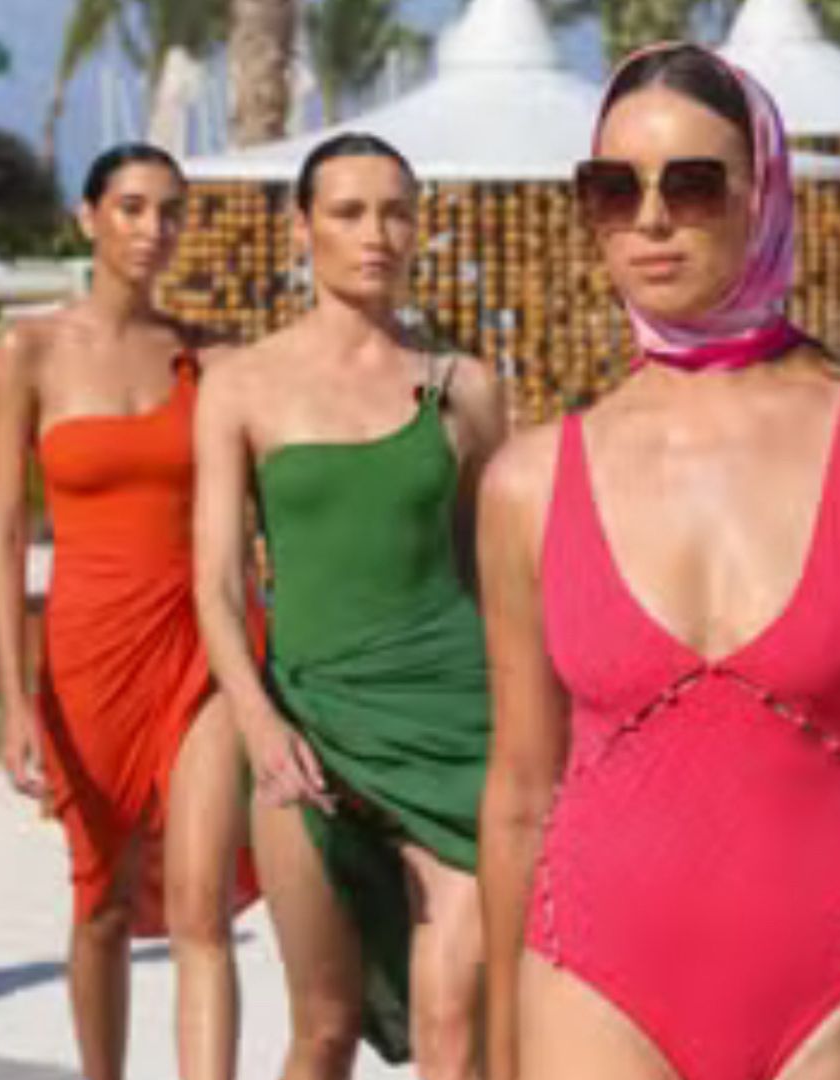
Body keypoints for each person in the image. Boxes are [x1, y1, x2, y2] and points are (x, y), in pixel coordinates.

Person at [477, 44, 840, 1080]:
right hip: (589, 985)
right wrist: (496, 1053)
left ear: (765, 192)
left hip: (838, 987)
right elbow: (518, 786)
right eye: (614, 189)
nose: (651, 219)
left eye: (691, 184)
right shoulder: (528, 481)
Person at [192, 134, 507, 1080]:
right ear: (303, 228)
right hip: (308, 728)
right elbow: (217, 581)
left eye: (397, 212)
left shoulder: (465, 387)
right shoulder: (240, 385)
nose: (377, 234)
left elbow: (495, 570)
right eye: (349, 212)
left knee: (457, 1024)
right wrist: (258, 723)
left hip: (458, 730)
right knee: (324, 1028)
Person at [0, 142, 259, 1080]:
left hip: (205, 645)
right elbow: (5, 532)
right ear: (88, 217)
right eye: (133, 207)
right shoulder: (28, 350)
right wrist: (14, 701)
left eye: (172, 211)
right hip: (89, 652)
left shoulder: (210, 358)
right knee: (99, 903)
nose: (154, 229)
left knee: (198, 903)